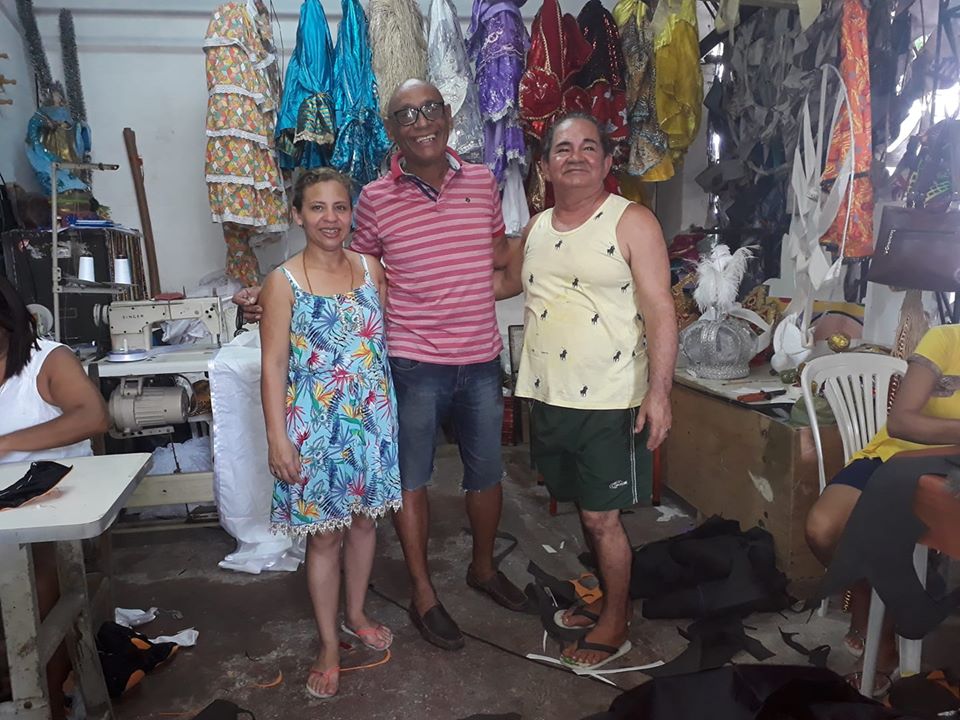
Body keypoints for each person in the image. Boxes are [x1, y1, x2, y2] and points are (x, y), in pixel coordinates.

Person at [238, 79, 528, 653]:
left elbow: (497, 254)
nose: (421, 123)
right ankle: (423, 594)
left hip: (478, 357)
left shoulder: (482, 181)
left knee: (486, 473)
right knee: (411, 481)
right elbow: (346, 268)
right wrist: (270, 297)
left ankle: (483, 568)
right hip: (412, 365)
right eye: (406, 115)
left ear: (448, 116)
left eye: (430, 110)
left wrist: (508, 270)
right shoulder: (373, 197)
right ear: (391, 129)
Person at [499, 112, 678, 671]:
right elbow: (503, 283)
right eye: (562, 148)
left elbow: (660, 308)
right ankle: (605, 597)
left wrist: (660, 393)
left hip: (610, 399)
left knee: (603, 518)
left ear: (605, 161)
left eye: (587, 147)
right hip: (550, 395)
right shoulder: (536, 227)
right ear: (545, 165)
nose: (574, 156)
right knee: (583, 507)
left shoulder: (632, 221)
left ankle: (615, 624)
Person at [259, 168, 401, 700]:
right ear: (297, 214)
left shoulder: (370, 269)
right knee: (324, 537)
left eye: (340, 207)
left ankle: (356, 614)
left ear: (352, 213)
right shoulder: (283, 282)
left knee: (365, 524)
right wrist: (277, 438)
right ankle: (327, 644)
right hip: (315, 430)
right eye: (317, 207)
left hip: (371, 422)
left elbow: (376, 345)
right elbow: (273, 365)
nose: (330, 218)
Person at [805, 323, 960, 693]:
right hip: (895, 456)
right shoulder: (947, 339)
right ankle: (872, 613)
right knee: (823, 529)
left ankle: (885, 631)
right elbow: (901, 421)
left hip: (948, 469)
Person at [0, 276, 110, 720]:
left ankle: (43, 697)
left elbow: (93, 416)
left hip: (54, 503)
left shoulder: (48, 361)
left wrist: (4, 444)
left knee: (33, 574)